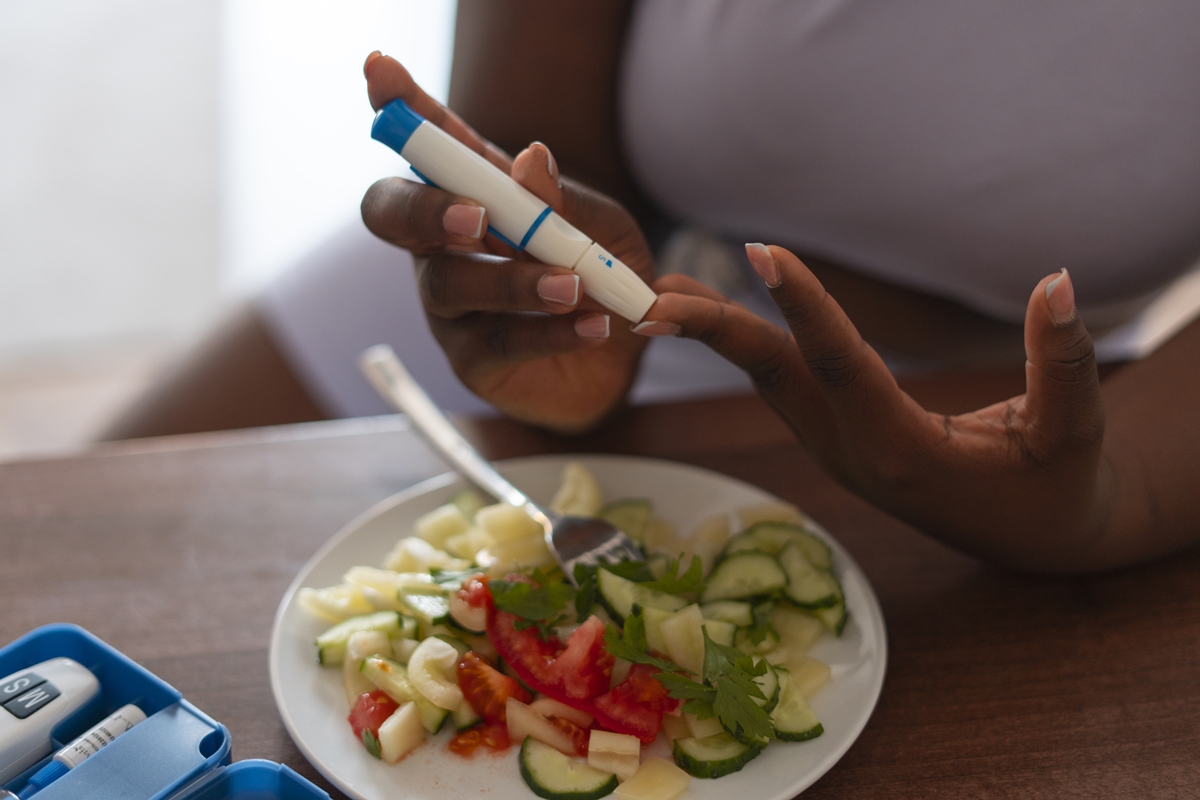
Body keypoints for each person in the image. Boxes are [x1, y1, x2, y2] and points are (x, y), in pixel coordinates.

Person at [106, 1, 1200, 573]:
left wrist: (1102, 504)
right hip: (571, 289)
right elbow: (536, 148)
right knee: (80, 557)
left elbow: (1115, 478)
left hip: (1023, 408)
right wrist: (539, 283)